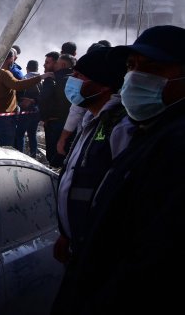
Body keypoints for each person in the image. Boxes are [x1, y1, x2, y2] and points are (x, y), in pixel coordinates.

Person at [51, 25, 185, 314]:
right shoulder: (145, 129)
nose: (136, 76)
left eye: (153, 68)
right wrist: (70, 234)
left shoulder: (161, 138)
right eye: (131, 66)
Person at [52, 47, 129, 266]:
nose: (71, 81)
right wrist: (66, 234)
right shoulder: (91, 119)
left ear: (104, 86)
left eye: (79, 77)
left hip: (101, 252)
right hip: (78, 242)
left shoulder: (121, 127)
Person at [0, 49, 49, 147]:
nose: (13, 62)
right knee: (6, 145)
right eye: (12, 59)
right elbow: (18, 85)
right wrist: (41, 77)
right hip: (5, 116)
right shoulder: (4, 73)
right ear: (9, 59)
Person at [39, 53, 75, 168]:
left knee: (54, 157)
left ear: (63, 64)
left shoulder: (54, 78)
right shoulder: (77, 78)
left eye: (57, 63)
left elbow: (44, 98)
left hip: (54, 122)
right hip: (71, 123)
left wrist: (44, 118)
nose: (54, 66)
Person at [15, 59, 42, 157]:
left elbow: (19, 93)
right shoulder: (42, 79)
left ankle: (20, 155)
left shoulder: (25, 78)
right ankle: (33, 156)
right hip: (36, 112)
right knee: (32, 134)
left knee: (20, 134)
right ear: (37, 68)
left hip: (25, 111)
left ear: (27, 68)